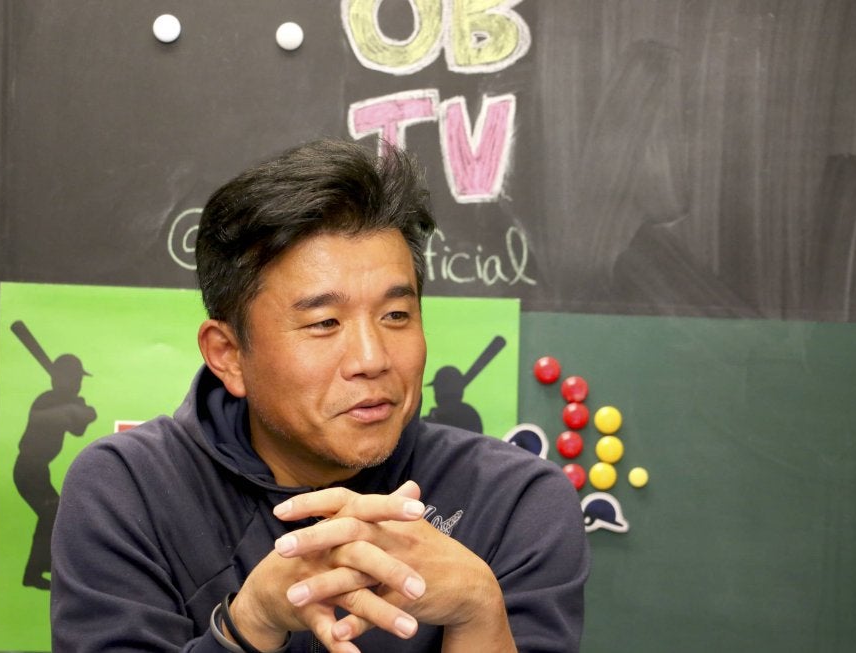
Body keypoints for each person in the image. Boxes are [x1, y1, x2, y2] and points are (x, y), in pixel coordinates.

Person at [51, 139, 590, 652]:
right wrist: (251, 623)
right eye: (325, 322)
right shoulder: (129, 489)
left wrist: (479, 610)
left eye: (396, 315)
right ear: (228, 355)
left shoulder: (516, 501)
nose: (372, 359)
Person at [14, 352, 97, 589]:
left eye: (79, 379)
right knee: (51, 513)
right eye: (75, 378)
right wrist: (77, 409)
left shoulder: (62, 401)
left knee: (53, 514)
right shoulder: (46, 401)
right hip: (28, 469)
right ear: (59, 379)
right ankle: (34, 572)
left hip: (39, 471)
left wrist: (80, 409)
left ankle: (40, 566)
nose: (78, 383)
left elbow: (78, 429)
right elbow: (67, 419)